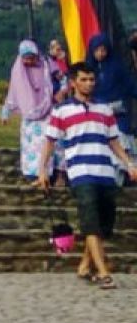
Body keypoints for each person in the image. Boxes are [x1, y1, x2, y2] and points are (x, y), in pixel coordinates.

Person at [38, 62, 137, 290]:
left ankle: (84, 264)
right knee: (90, 221)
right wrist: (43, 170)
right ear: (73, 82)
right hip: (80, 173)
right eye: (83, 79)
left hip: (105, 171)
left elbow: (114, 140)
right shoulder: (61, 110)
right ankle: (103, 272)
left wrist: (128, 163)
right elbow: (49, 142)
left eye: (91, 79)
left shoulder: (104, 109)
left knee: (104, 223)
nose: (88, 83)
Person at [1, 40, 57, 180]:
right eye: (25, 58)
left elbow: (61, 78)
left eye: (31, 57)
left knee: (46, 141)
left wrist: (60, 91)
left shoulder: (46, 64)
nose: (28, 61)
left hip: (47, 111)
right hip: (29, 117)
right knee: (31, 146)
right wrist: (5, 112)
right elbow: (13, 92)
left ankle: (47, 173)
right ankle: (32, 174)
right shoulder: (18, 71)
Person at [85, 33, 137, 155]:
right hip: (97, 112)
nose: (100, 53)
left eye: (103, 50)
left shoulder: (117, 66)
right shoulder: (88, 69)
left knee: (123, 142)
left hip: (118, 112)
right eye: (97, 50)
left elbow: (129, 84)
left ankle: (127, 170)